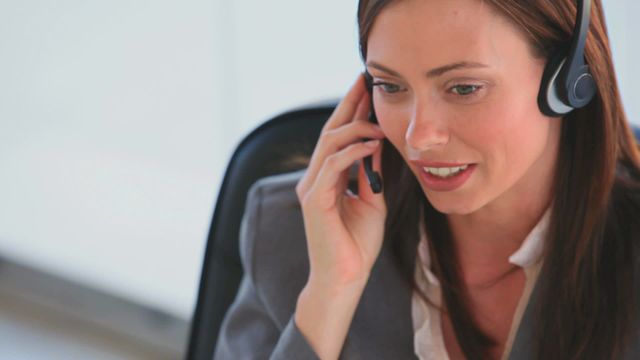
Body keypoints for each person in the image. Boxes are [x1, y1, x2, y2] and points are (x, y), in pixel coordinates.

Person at [214, 0, 640, 359]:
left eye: (464, 88)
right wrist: (331, 292)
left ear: (568, 81)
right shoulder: (292, 235)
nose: (419, 137)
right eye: (390, 85)